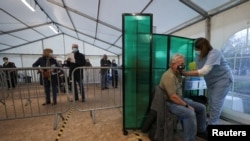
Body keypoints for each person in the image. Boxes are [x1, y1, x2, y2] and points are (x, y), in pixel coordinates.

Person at [182, 37, 233, 125]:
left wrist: (185, 73)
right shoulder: (198, 56)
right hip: (211, 81)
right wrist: (187, 73)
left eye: (198, 49)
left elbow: (204, 71)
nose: (197, 51)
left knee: (216, 103)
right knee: (211, 101)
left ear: (203, 48)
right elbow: (198, 69)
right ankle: (210, 122)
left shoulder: (214, 53)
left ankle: (212, 124)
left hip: (223, 79)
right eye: (196, 49)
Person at [159, 54, 207, 141]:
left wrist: (186, 72)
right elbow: (173, 97)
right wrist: (187, 106)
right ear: (173, 64)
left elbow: (187, 75)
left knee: (202, 108)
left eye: (183, 64)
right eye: (180, 64)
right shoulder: (169, 76)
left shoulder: (177, 73)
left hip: (179, 99)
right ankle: (189, 139)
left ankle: (201, 131)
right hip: (170, 103)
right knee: (189, 113)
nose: (182, 66)